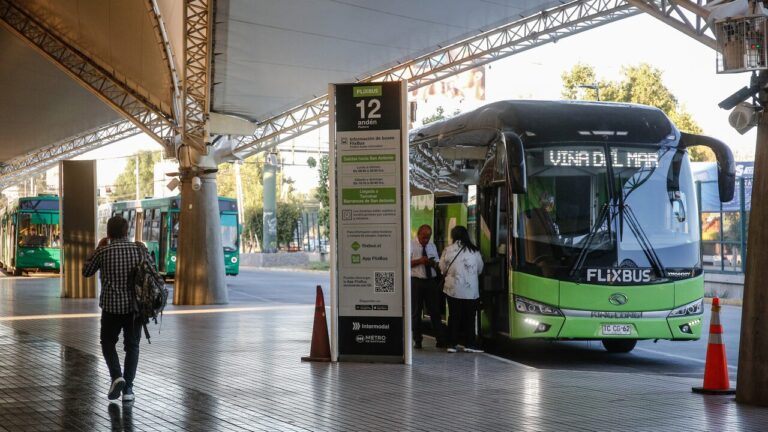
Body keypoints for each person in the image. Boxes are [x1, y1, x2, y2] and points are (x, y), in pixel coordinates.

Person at [82, 215, 160, 403]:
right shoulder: (139, 249)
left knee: (107, 343)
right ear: (127, 231)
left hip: (111, 308)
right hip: (135, 308)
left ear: (108, 233)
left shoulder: (104, 251)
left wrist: (97, 249)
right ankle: (129, 390)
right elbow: (154, 273)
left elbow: (86, 272)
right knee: (132, 346)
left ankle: (117, 377)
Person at [439, 225, 484, 353]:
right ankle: (470, 344)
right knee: (470, 317)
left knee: (454, 316)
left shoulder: (448, 250)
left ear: (453, 236)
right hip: (471, 291)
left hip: (453, 289)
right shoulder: (474, 251)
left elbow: (442, 267)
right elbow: (480, 269)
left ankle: (452, 344)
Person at [409, 224, 446, 349]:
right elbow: (405, 263)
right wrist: (420, 261)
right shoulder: (410, 245)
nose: (426, 240)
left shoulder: (432, 245)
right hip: (416, 281)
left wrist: (432, 263)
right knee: (416, 312)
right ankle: (417, 340)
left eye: (428, 237)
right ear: (418, 234)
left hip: (430, 281)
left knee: (435, 311)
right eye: (424, 237)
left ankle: (440, 339)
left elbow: (436, 261)